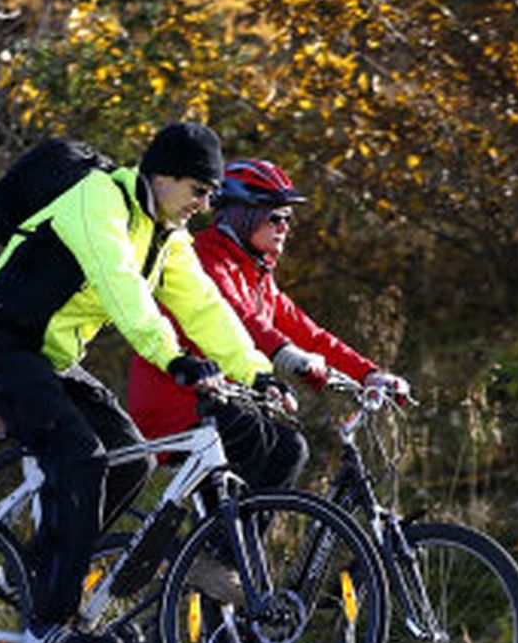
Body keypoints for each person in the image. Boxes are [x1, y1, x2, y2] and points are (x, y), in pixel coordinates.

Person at [0, 121, 287, 643]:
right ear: (162, 177)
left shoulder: (166, 235)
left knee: (132, 459)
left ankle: (26, 572)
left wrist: (256, 371)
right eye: (199, 191)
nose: (204, 205)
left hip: (50, 359)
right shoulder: (99, 200)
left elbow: (204, 308)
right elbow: (121, 288)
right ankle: (51, 620)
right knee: (82, 457)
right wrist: (173, 359)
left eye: (210, 194)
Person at [125, 158, 411, 483]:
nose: (284, 227)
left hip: (219, 402)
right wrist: (287, 354)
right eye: (274, 217)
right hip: (176, 403)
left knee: (259, 473)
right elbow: (240, 318)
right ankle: (226, 536)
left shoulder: (257, 275)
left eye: (288, 218)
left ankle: (223, 536)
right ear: (241, 215)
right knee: (285, 448)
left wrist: (370, 373)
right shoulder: (204, 257)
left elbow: (310, 333)